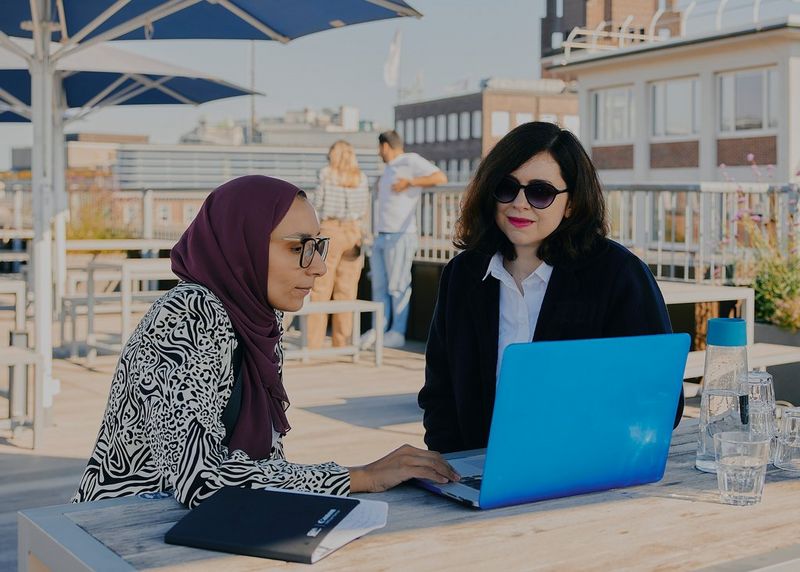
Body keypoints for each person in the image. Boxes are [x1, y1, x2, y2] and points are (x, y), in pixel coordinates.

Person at [72, 175, 458, 508]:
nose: (319, 266)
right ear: (241, 245)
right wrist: (361, 477)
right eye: (297, 247)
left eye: (318, 245)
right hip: (123, 529)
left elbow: (260, 467)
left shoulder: (256, 319)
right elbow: (201, 478)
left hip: (210, 528)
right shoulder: (188, 314)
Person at [418, 122, 684, 454]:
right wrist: (453, 467)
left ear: (571, 203)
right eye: (506, 186)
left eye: (540, 192)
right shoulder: (463, 274)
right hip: (478, 473)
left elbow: (660, 401)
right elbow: (439, 395)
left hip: (584, 473)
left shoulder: (620, 275)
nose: (519, 203)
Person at [360, 130, 447, 349]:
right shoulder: (388, 168)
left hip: (401, 234)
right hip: (382, 234)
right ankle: (379, 329)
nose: (379, 152)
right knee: (379, 286)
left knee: (398, 286)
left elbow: (440, 177)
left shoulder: (410, 160)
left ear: (386, 146)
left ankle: (397, 332)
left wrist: (410, 182)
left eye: (379, 148)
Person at [306, 141, 370, 349]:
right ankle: (342, 343)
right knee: (347, 290)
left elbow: (318, 204)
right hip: (353, 232)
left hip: (330, 230)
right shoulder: (361, 177)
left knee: (320, 289)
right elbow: (364, 209)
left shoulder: (326, 174)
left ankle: (313, 343)